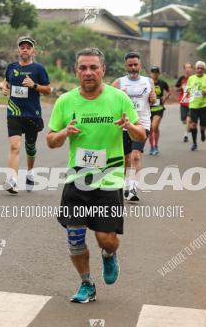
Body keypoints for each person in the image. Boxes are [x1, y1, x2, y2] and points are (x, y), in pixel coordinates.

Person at [48, 47, 144, 303]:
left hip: (109, 178)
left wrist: (130, 127)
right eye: (83, 68)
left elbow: (141, 135)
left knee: (106, 239)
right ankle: (86, 284)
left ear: (103, 70)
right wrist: (63, 133)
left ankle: (109, 255)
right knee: (75, 237)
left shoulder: (119, 98)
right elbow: (51, 141)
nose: (88, 72)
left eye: (93, 67)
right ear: (76, 71)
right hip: (77, 178)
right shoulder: (65, 101)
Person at [0, 36, 51, 193]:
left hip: (32, 114)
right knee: (15, 146)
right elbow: (6, 82)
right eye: (22, 47)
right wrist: (3, 88)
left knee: (30, 147)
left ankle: (29, 172)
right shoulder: (11, 67)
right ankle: (13, 180)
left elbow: (48, 89)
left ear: (33, 51)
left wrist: (34, 85)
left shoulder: (39, 69)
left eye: (28, 47)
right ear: (18, 50)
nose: (25, 49)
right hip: (14, 111)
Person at [112, 52, 156, 202]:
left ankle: (132, 188)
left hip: (141, 123)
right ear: (126, 66)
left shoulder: (148, 81)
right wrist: (119, 97)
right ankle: (126, 183)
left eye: (135, 65)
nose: (133, 67)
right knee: (126, 159)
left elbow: (153, 100)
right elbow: (110, 103)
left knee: (136, 155)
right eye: (130, 65)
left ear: (140, 65)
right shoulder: (118, 83)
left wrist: (153, 99)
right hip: (124, 125)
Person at [185, 60, 206, 151]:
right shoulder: (191, 78)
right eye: (198, 68)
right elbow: (188, 90)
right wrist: (188, 94)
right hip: (193, 105)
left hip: (204, 106)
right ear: (195, 69)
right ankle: (194, 143)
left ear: (204, 70)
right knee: (193, 125)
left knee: (203, 126)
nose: (199, 70)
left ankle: (202, 132)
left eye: (201, 68)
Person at [148, 66, 169, 156]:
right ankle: (152, 147)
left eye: (156, 72)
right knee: (150, 129)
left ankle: (156, 145)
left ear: (159, 73)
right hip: (148, 109)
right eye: (153, 72)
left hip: (159, 108)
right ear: (150, 73)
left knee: (154, 126)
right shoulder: (146, 83)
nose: (155, 74)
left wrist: (165, 97)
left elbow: (168, 91)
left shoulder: (162, 83)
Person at [174, 63, 193, 143]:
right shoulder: (181, 78)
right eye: (186, 68)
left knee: (188, 119)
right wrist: (180, 88)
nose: (188, 69)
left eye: (189, 67)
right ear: (184, 69)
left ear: (191, 69)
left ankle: (186, 135)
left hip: (192, 103)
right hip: (183, 102)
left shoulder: (194, 78)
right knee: (183, 120)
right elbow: (175, 88)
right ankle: (190, 127)